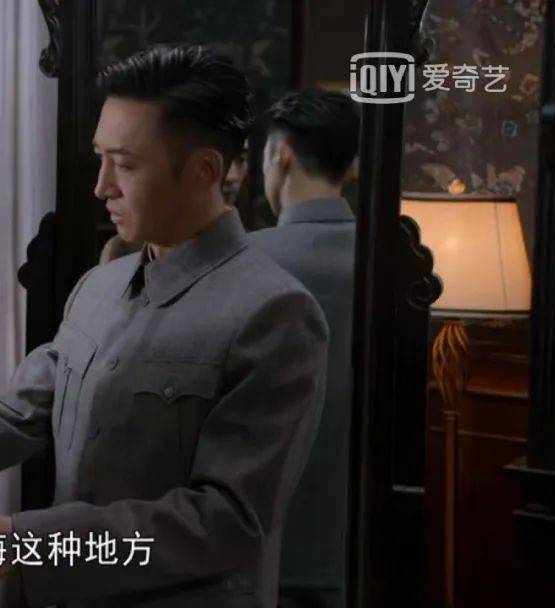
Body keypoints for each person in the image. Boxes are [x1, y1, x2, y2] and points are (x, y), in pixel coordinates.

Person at [0, 46, 329, 608]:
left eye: (126, 164)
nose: (102, 186)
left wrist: (31, 544)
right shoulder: (98, 287)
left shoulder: (275, 313)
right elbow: (17, 414)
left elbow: (225, 520)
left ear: (205, 170)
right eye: (101, 158)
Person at [250, 89, 361, 608]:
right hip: (356, 536)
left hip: (257, 531)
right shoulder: (391, 260)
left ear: (282, 155)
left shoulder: (240, 260)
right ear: (351, 166)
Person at [99, 138, 249, 264]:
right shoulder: (124, 253)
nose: (232, 177)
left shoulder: (255, 249)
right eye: (207, 164)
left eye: (240, 160)